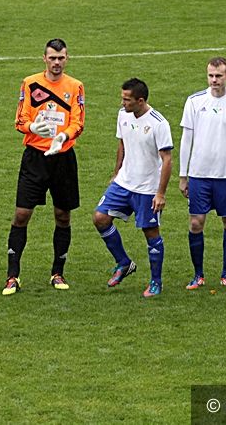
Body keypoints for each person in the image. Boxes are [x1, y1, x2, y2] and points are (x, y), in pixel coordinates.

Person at [3, 38, 85, 295]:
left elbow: (78, 122)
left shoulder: (75, 86)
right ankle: (12, 276)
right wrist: (33, 128)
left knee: (63, 215)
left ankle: (57, 273)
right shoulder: (30, 83)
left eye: (61, 58)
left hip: (63, 158)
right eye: (52, 58)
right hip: (35, 158)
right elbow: (20, 120)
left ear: (67, 58)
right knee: (21, 214)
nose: (56, 62)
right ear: (44, 59)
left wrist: (63, 137)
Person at [179, 56, 226, 290]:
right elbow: (186, 139)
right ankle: (198, 275)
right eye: (211, 76)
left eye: (219, 76)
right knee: (196, 223)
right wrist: (183, 175)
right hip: (199, 175)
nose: (214, 80)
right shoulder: (194, 101)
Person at [93, 78, 173, 297]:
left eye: (127, 99)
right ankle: (124, 263)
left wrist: (160, 193)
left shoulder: (158, 123)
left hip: (147, 188)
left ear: (140, 101)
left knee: (150, 232)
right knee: (100, 218)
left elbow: (167, 159)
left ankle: (156, 282)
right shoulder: (123, 114)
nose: (123, 103)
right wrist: (116, 172)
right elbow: (122, 143)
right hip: (124, 182)